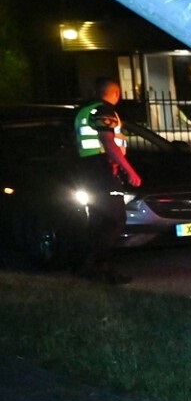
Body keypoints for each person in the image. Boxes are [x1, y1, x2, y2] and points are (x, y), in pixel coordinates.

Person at [71, 77, 141, 283]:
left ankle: (89, 267)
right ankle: (100, 268)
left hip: (89, 169)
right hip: (102, 170)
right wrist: (130, 171)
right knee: (114, 220)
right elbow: (108, 143)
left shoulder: (85, 111)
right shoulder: (104, 111)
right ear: (116, 93)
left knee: (99, 221)